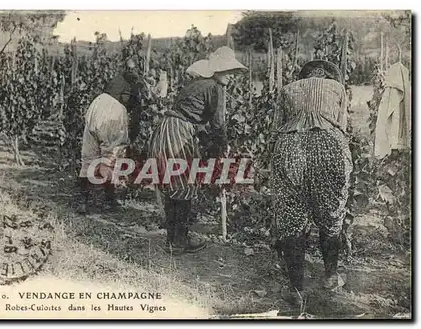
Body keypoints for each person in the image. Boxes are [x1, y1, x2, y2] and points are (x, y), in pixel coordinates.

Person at [148, 46, 247, 255]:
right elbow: (218, 124)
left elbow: (197, 119)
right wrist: (221, 149)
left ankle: (172, 239)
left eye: (231, 72)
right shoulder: (215, 88)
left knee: (173, 183)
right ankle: (179, 241)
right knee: (184, 184)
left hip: (165, 129)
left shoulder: (196, 84)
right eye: (227, 71)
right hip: (180, 132)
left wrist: (206, 140)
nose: (230, 76)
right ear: (217, 70)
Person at [270, 60, 352, 303]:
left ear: (305, 75)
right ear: (327, 75)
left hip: (290, 147)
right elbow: (343, 126)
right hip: (329, 145)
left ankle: (296, 288)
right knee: (331, 212)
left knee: (290, 215)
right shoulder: (337, 88)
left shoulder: (287, 89)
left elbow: (276, 128)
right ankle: (330, 277)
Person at [78, 58, 147, 213]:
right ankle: (109, 200)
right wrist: (131, 135)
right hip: (114, 111)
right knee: (111, 156)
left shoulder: (117, 78)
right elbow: (134, 109)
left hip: (97, 105)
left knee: (89, 156)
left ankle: (83, 201)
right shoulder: (136, 83)